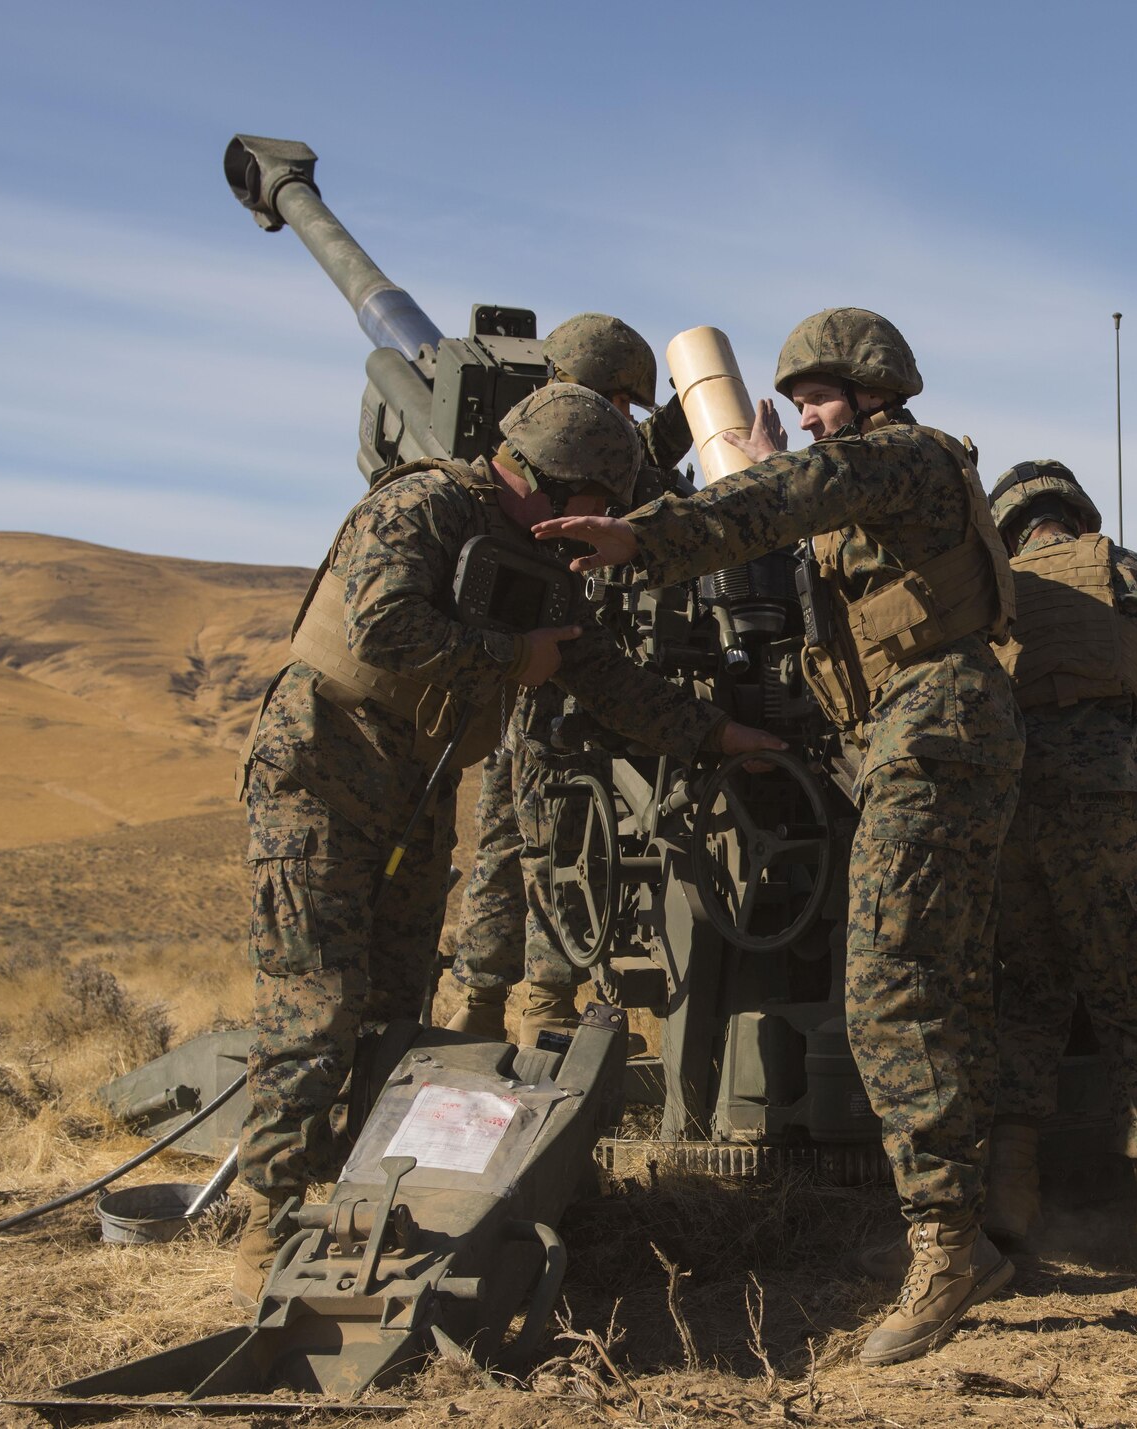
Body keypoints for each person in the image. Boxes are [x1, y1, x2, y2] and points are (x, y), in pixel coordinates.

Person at [535, 308, 1023, 1367]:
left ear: (872, 387)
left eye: (816, 397)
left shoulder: (897, 455)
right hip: (918, 728)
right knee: (940, 980)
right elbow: (804, 509)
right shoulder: (883, 476)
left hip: (930, 724)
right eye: (794, 399)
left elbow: (791, 495)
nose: (800, 414)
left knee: (892, 982)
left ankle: (943, 1250)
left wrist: (641, 538)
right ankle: (970, 1230)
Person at [231, 383, 779, 1305]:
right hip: (319, 774)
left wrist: (716, 738)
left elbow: (594, 670)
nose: (598, 520)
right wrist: (508, 660)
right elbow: (383, 624)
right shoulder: (423, 504)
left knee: (395, 1007)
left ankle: (367, 1203)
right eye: (599, 498)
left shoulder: (542, 555)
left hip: (413, 786)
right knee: (317, 1004)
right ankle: (268, 1213)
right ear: (550, 474)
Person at [977, 465, 1137, 1278]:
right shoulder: (1125, 568)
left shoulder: (988, 585)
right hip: (1110, 803)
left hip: (1010, 806)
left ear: (1009, 523)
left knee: (1026, 992)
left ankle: (1011, 1198)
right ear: (1073, 514)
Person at [446, 314, 697, 1045]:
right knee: (549, 842)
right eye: (621, 402)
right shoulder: (572, 466)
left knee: (518, 842)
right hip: (555, 681)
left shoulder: (558, 459)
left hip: (558, 673)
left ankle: (488, 1000)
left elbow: (652, 474)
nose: (620, 422)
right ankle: (537, 1005)